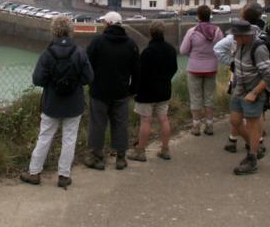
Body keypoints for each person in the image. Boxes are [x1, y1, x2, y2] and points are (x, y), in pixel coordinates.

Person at [20, 16, 93, 188]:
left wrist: (52, 81)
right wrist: (74, 82)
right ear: (71, 31)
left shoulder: (48, 54)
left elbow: (37, 79)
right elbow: (89, 78)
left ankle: (34, 172)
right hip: (74, 104)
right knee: (69, 139)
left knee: (45, 137)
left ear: (54, 31)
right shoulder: (79, 52)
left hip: (51, 103)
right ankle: (63, 176)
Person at [85, 12, 140, 171]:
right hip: (121, 92)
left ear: (108, 24)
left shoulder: (97, 42)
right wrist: (132, 90)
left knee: (97, 125)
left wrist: (90, 83)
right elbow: (137, 70)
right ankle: (121, 158)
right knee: (120, 124)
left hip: (99, 92)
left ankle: (97, 158)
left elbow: (87, 64)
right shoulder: (131, 44)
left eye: (104, 22)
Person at [227, 19, 270, 175]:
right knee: (235, 121)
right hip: (239, 90)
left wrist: (255, 92)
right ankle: (254, 147)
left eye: (236, 35)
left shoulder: (259, 49)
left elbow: (269, 75)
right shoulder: (240, 45)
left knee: (253, 124)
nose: (234, 38)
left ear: (245, 36)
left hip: (253, 92)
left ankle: (253, 157)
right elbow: (238, 67)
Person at [127, 21, 179, 162]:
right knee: (164, 119)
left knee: (146, 121)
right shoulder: (170, 50)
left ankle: (140, 152)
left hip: (147, 92)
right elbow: (174, 68)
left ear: (150, 33)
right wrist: (165, 79)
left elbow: (139, 73)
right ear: (163, 32)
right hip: (164, 90)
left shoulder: (147, 52)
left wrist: (134, 89)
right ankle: (165, 150)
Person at [179, 5, 224, 136]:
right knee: (209, 96)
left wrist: (193, 55)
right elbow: (222, 49)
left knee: (195, 97)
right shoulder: (217, 31)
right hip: (211, 68)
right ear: (210, 16)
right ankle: (209, 125)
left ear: (198, 16)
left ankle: (196, 126)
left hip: (194, 68)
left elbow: (183, 50)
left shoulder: (192, 31)